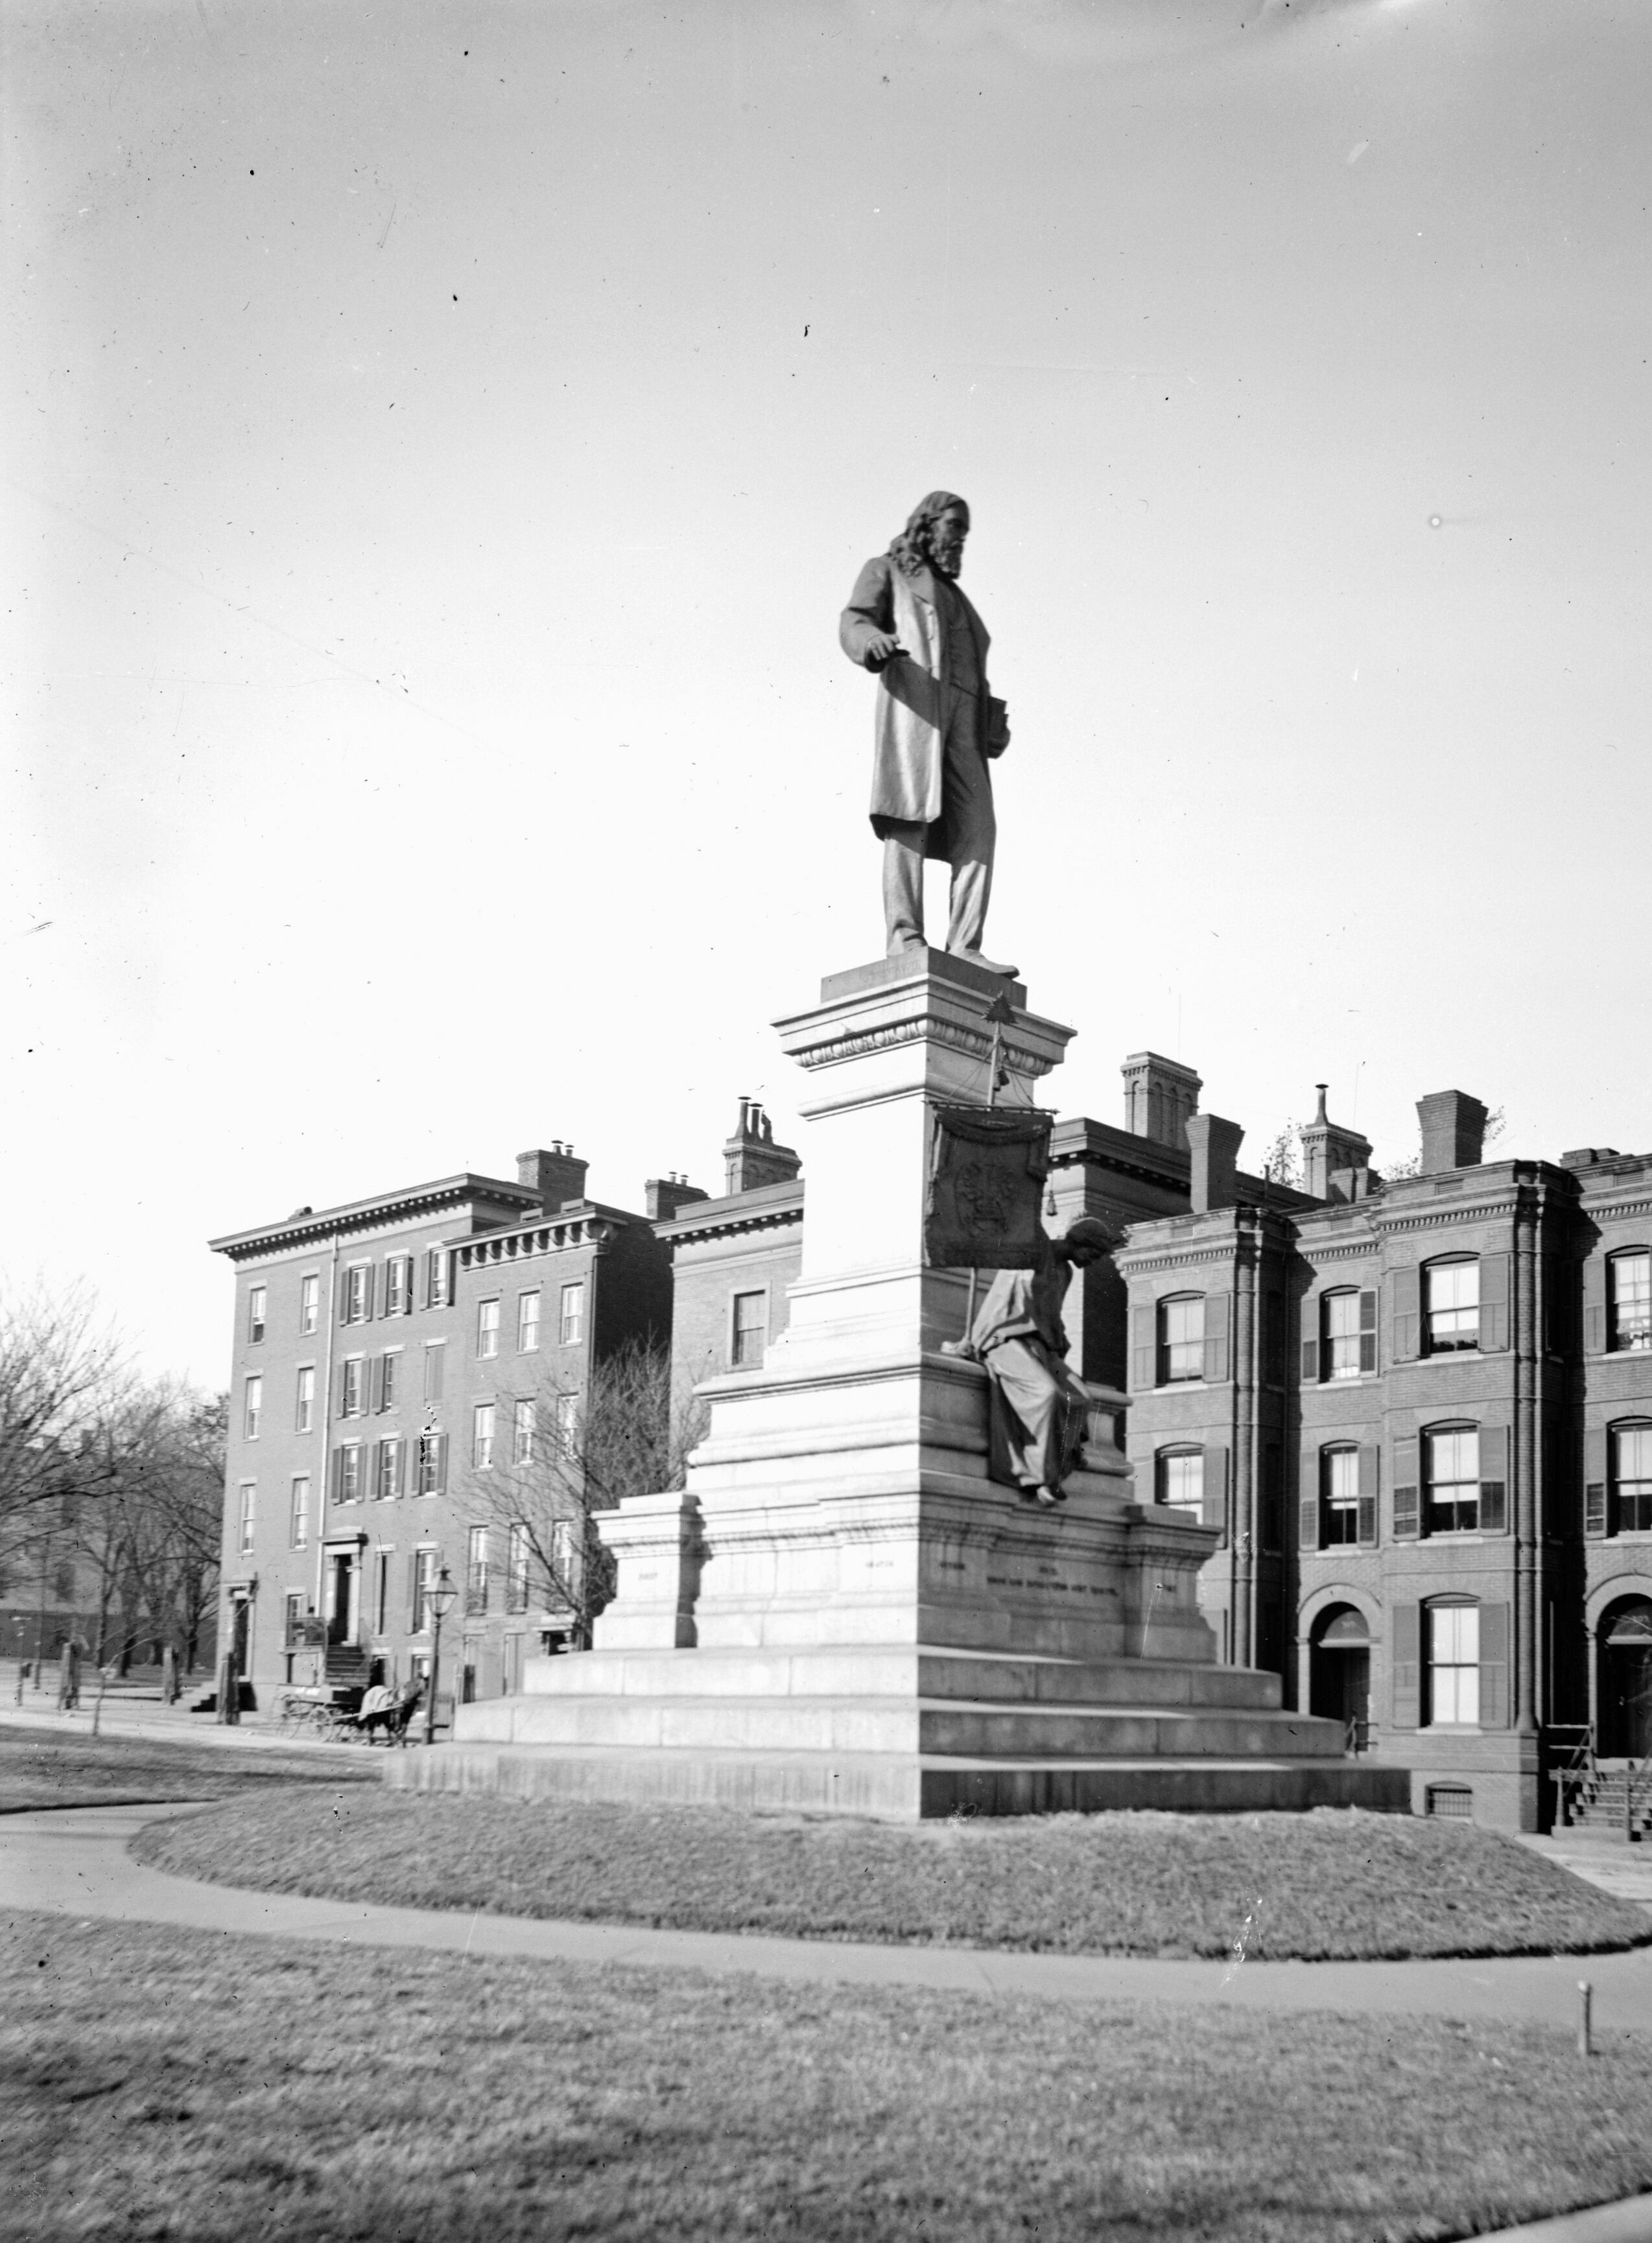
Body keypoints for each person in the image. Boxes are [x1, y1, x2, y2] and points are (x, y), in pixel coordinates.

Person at [839, 492, 1015, 975]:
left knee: (979, 827)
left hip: (965, 720)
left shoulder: (958, 599)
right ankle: (905, 938)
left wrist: (991, 720)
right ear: (928, 523)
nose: (960, 539)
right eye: (955, 526)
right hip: (917, 711)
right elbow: (854, 619)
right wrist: (871, 641)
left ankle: (965, 946)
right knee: (908, 819)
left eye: (965, 532)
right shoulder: (888, 570)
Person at [947, 1218, 1113, 1506]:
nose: (1093, 1262)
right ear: (1079, 1242)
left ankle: (1063, 1460)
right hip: (1003, 1338)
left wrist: (1057, 1346)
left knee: (1082, 1398)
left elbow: (1052, 1317)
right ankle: (1040, 1478)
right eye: (1094, 1254)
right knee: (1046, 1393)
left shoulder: (1065, 1272)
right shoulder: (1034, 1251)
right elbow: (1024, 1217)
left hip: (1042, 1346)